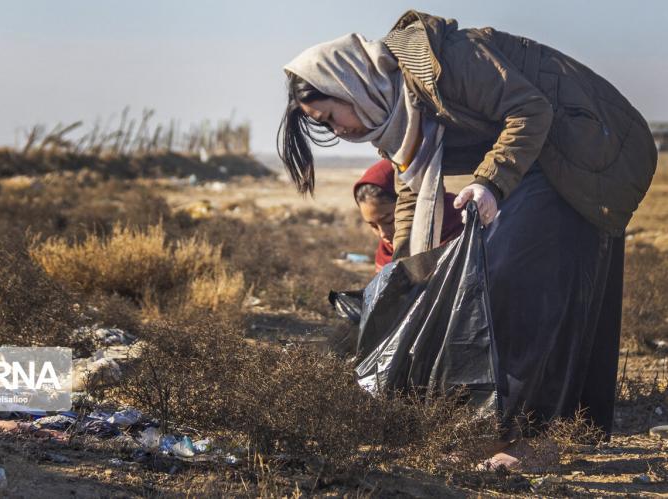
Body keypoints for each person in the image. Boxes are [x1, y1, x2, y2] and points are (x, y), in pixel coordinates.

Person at [278, 10, 657, 469]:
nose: (338, 131)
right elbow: (411, 195)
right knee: (502, 291)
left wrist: (491, 183)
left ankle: (536, 444)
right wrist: (398, 283)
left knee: (511, 287)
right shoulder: (395, 117)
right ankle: (519, 435)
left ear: (345, 82)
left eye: (329, 116)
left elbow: (530, 109)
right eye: (326, 127)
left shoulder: (439, 63)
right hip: (546, 155)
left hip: (587, 141)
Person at [354, 159, 463, 272]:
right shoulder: (386, 252)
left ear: (412, 204)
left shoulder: (462, 225)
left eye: (388, 220)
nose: (383, 234)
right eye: (373, 226)